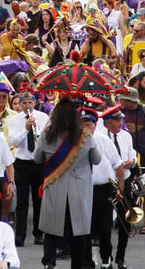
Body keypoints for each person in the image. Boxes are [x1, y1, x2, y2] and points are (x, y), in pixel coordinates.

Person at [34, 96, 100, 269]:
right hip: (79, 190)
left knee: (51, 230)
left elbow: (37, 158)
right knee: (79, 233)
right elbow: (96, 159)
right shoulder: (85, 136)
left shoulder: (47, 135)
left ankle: (49, 262)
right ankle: (78, 265)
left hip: (55, 186)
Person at [8, 91, 49, 246]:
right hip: (22, 162)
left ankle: (39, 233)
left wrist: (37, 129)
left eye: (29, 103)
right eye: (23, 103)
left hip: (38, 162)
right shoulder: (15, 120)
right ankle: (20, 235)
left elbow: (45, 139)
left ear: (34, 102)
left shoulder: (43, 117)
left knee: (39, 199)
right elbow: (16, 143)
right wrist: (26, 129)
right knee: (22, 201)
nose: (27, 106)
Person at [91, 105, 127, 269]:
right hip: (84, 190)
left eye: (90, 124)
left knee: (105, 227)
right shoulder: (75, 141)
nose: (87, 127)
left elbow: (118, 166)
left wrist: (120, 188)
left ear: (94, 125)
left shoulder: (103, 140)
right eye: (84, 124)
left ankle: (106, 259)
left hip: (104, 188)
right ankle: (87, 260)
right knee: (86, 228)